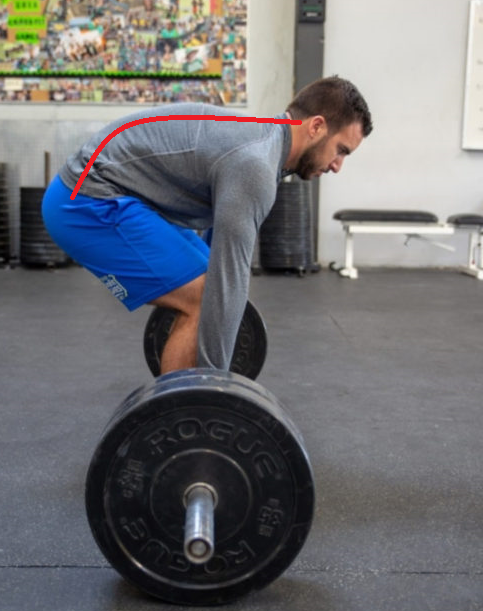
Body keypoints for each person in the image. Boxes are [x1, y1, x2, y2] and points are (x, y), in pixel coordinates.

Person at [42, 76, 373, 375]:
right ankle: (178, 414)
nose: (338, 166)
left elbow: (220, 260)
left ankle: (181, 381)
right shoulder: (255, 165)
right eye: (340, 150)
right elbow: (228, 283)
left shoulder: (266, 139)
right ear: (316, 127)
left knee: (207, 287)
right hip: (84, 201)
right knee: (203, 298)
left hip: (108, 191)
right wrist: (215, 393)